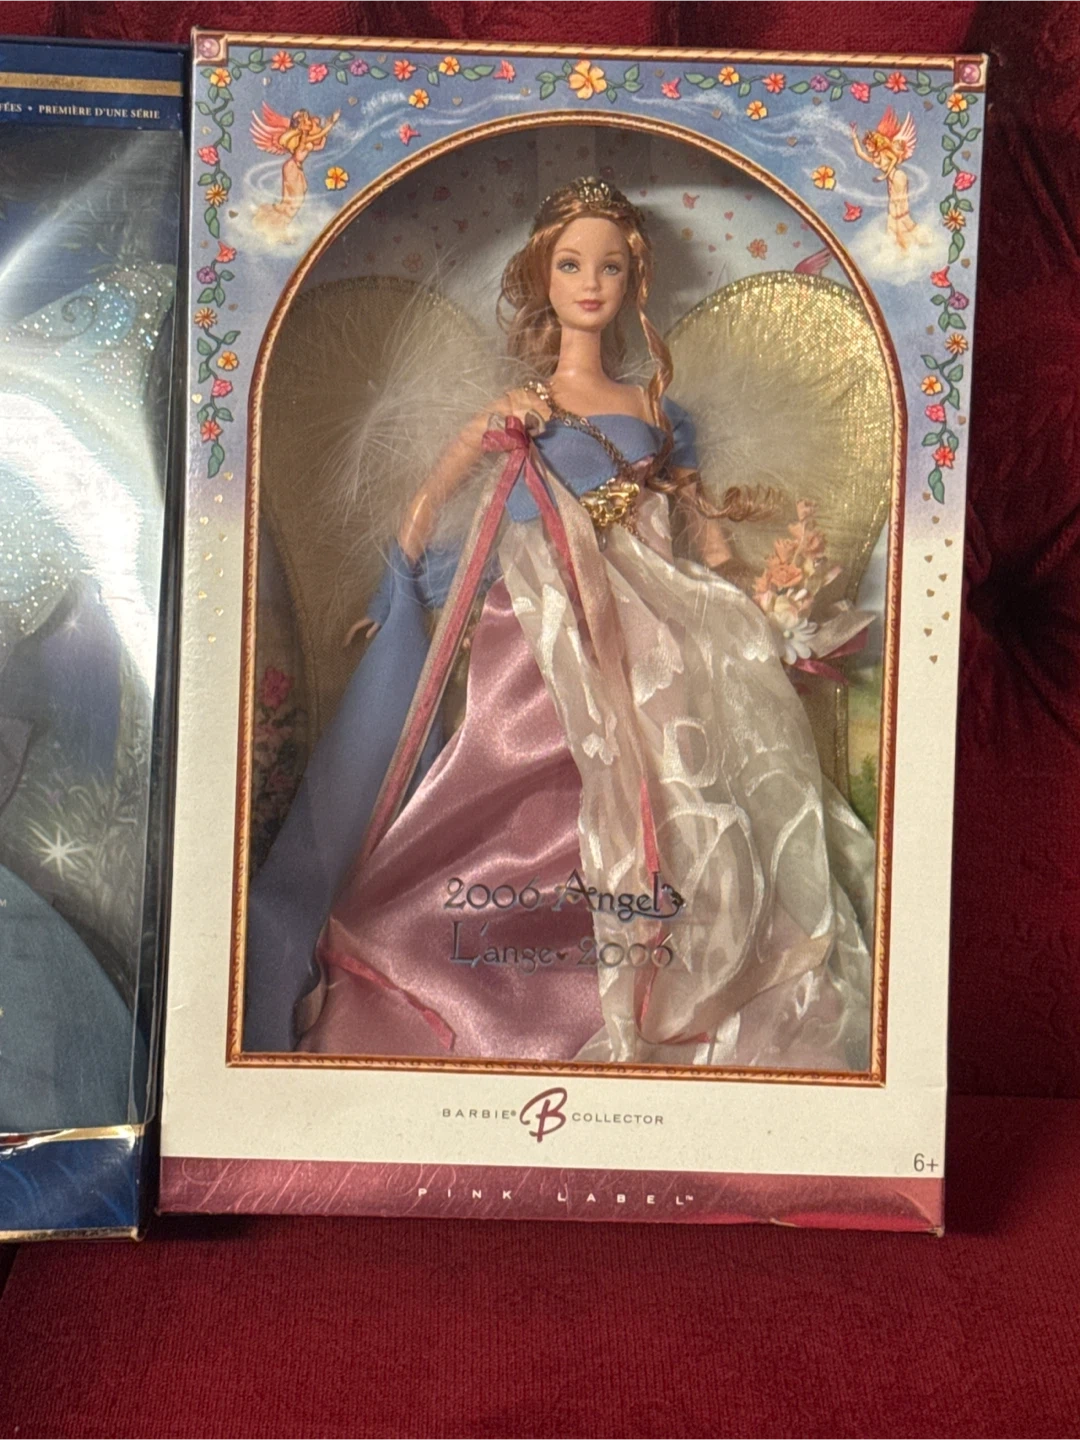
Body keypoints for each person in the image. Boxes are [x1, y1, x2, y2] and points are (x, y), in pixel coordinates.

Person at [247, 177, 873, 1072]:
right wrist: (398, 590)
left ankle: (656, 960)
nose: (591, 284)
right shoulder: (523, 407)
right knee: (525, 771)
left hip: (651, 617)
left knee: (670, 777)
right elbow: (432, 498)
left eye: (610, 267)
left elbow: (698, 525)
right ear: (543, 275)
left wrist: (763, 595)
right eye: (572, 265)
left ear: (634, 281)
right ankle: (485, 956)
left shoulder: (656, 409)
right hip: (540, 616)